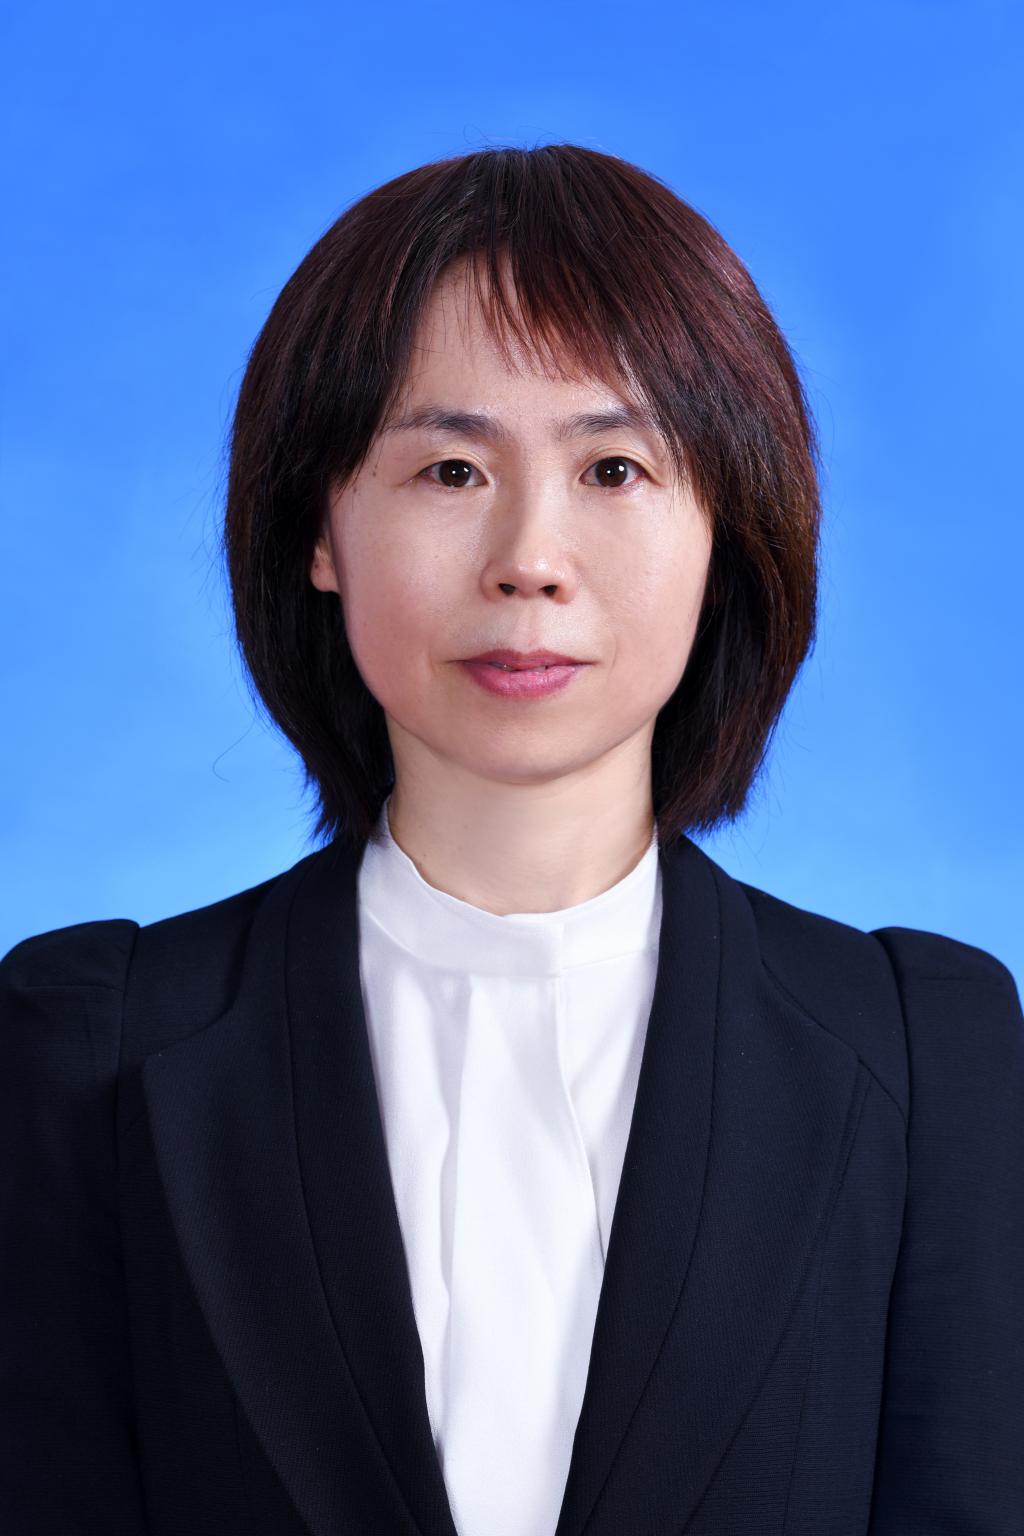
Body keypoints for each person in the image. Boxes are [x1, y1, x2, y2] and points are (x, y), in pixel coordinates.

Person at [1, 143, 1021, 1536]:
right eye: (451, 469)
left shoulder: (925, 1054)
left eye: (613, 467)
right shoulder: (88, 1045)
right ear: (318, 530)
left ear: (724, 531)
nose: (530, 559)